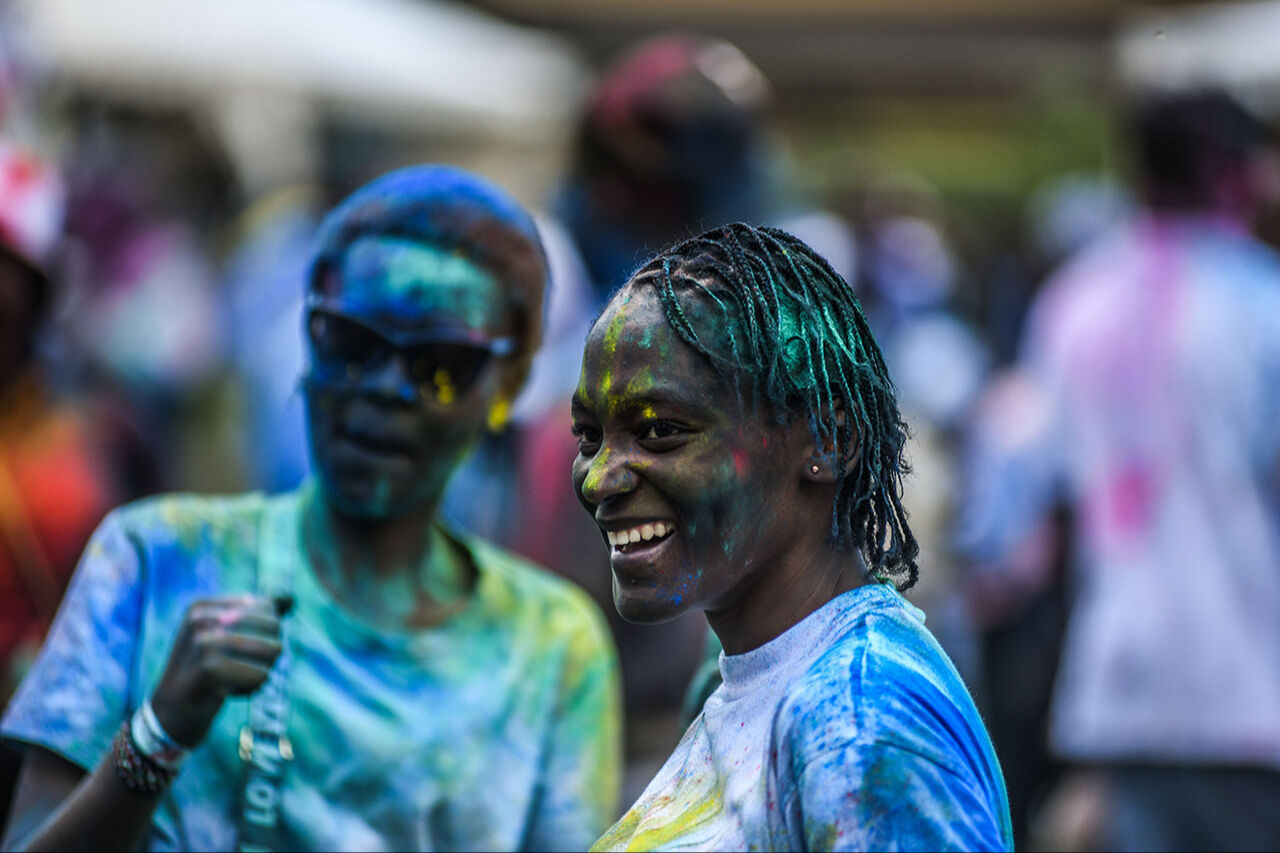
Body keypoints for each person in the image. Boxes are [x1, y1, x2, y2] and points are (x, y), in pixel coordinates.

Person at [1, 165, 622, 852]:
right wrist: (158, 733)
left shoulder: (552, 647)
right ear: (307, 339)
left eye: (441, 366)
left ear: (506, 388)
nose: (387, 389)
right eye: (351, 344)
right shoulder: (158, 559)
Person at [570, 222, 1012, 851]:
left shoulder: (862, 719)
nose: (599, 480)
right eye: (589, 437)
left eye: (661, 430)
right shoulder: (752, 681)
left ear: (828, 444)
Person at [963, 89, 1280, 851]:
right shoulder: (1263, 302)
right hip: (1252, 702)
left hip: (1118, 694)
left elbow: (1016, 515)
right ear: (1235, 173)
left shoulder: (1076, 299)